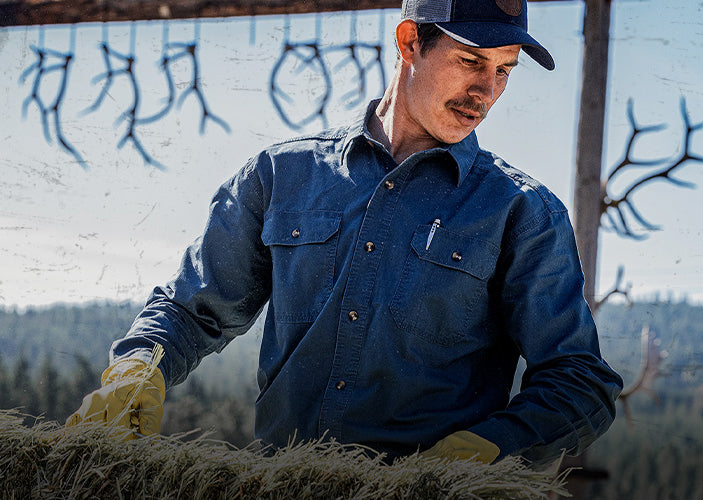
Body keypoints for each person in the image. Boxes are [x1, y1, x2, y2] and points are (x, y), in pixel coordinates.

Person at [68, 0, 623, 466]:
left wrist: (485, 450)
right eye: (470, 60)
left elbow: (579, 380)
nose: (485, 90)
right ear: (409, 43)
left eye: (503, 71)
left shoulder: (521, 210)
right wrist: (138, 368)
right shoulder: (282, 176)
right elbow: (192, 310)